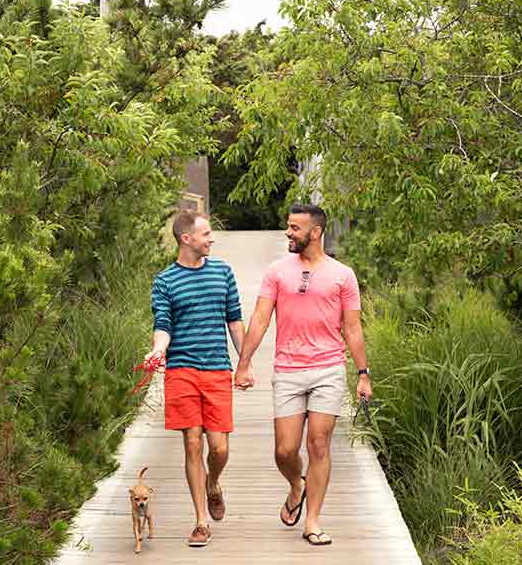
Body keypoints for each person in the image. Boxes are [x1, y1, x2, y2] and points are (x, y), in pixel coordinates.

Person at [233, 203, 371, 546]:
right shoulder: (277, 271)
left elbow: (352, 329)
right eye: (288, 226)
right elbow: (262, 318)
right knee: (285, 450)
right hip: (289, 369)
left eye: (295, 228)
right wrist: (245, 362)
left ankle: (312, 520)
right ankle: (297, 485)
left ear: (316, 232)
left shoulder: (343, 275)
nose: (288, 233)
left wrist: (363, 374)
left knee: (319, 444)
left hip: (328, 368)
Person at [146, 211, 246, 547]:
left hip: (217, 368)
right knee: (192, 442)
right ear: (186, 238)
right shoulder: (165, 281)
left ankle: (213, 483)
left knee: (218, 448)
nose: (211, 239)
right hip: (182, 370)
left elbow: (234, 321)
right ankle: (201, 521)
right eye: (206, 234)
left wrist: (243, 363)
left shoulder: (223, 272)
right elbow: (163, 326)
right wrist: (158, 351)